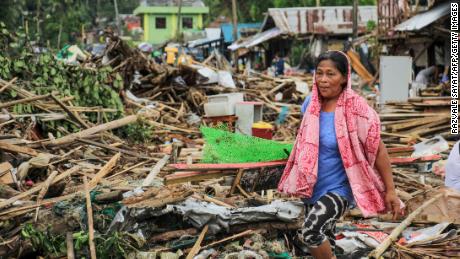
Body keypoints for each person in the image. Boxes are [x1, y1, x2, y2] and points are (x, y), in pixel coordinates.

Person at [278, 51, 402, 259]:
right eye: (319, 73)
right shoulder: (311, 104)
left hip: (340, 188)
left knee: (310, 232)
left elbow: (378, 149)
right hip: (312, 185)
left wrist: (391, 191)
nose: (323, 80)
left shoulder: (357, 109)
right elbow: (306, 140)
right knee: (326, 237)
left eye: (331, 74)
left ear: (345, 77)